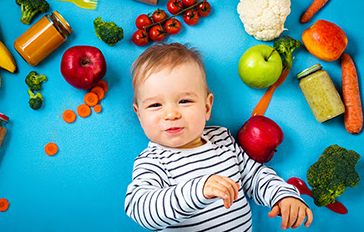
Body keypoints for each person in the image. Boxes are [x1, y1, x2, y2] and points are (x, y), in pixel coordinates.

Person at [125, 43, 313, 231]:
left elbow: (255, 176)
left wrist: (283, 195)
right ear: (139, 114)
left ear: (207, 107)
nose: (171, 114)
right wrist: (198, 191)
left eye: (184, 101)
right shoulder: (153, 161)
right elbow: (141, 209)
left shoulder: (222, 140)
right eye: (155, 105)